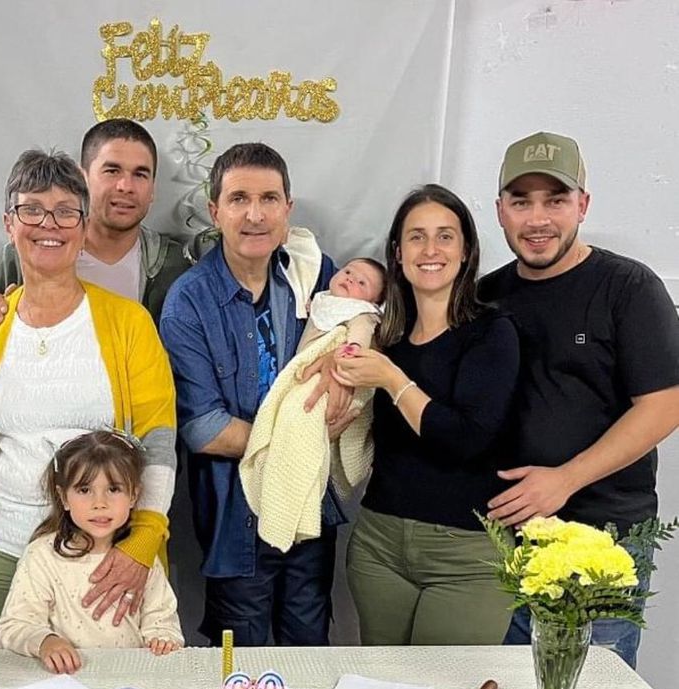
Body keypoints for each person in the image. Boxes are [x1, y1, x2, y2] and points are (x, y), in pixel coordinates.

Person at [478, 131, 679, 667]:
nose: (537, 219)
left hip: (604, 535)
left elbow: (663, 405)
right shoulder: (486, 296)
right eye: (521, 202)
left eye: (556, 200)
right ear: (500, 210)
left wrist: (564, 479)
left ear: (583, 205)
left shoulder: (628, 288)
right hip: (505, 537)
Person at [0, 148, 176, 648]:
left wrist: (142, 542)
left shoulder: (127, 322)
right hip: (5, 551)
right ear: (8, 223)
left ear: (84, 227)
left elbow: (158, 439)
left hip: (109, 553)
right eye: (32, 209)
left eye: (66, 211)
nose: (50, 224)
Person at [160, 142, 352, 647]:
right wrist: (300, 440)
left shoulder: (318, 276)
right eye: (239, 198)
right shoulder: (190, 301)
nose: (254, 214)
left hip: (312, 510)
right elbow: (205, 429)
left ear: (288, 209)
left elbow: (356, 347)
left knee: (309, 652)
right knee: (239, 668)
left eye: (269, 198)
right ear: (215, 210)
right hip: (235, 516)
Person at [336, 184, 520, 646]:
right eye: (416, 237)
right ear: (397, 254)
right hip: (379, 544)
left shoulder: (492, 333)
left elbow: (465, 438)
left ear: (466, 251)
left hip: (467, 554)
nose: (430, 249)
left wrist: (392, 380)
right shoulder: (384, 335)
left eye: (445, 236)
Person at [0, 118, 190, 328]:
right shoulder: (28, 252)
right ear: (83, 179)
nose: (126, 186)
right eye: (112, 171)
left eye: (140, 175)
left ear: (153, 189)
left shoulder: (174, 265)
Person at [0, 430, 183, 674]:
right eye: (85, 490)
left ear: (134, 495)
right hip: (64, 685)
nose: (100, 503)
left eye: (113, 489)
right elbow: (13, 625)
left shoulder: (140, 559)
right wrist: (45, 642)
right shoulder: (42, 556)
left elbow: (162, 619)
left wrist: (162, 638)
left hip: (131, 677)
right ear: (63, 497)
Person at [240, 258, 386, 551]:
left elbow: (358, 339)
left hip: (334, 375)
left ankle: (298, 510)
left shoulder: (362, 315)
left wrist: (347, 355)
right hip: (305, 370)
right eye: (348, 272)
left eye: (361, 284)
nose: (350, 280)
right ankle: (281, 488)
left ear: (374, 301)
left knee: (298, 413)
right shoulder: (321, 300)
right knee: (287, 416)